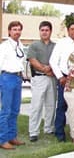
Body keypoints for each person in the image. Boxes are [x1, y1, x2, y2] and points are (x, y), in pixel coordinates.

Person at [49, 21, 74, 142]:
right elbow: (53, 61)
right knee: (62, 106)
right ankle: (59, 133)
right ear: (68, 30)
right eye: (72, 29)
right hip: (65, 78)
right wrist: (60, 77)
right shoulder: (62, 43)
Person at [28, 21, 56, 142]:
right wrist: (46, 70)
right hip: (39, 78)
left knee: (51, 104)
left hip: (52, 78)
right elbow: (32, 61)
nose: (44, 32)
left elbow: (57, 61)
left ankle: (48, 128)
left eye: (47, 30)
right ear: (39, 31)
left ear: (50, 31)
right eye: (42, 30)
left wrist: (52, 70)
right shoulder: (34, 45)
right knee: (36, 105)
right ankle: (33, 131)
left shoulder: (55, 46)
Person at [0, 21, 25, 150]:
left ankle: (12, 136)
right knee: (6, 110)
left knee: (15, 110)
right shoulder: (4, 46)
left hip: (17, 77)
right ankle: (3, 139)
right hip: (7, 77)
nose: (17, 32)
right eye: (14, 29)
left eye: (19, 29)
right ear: (9, 31)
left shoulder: (19, 45)